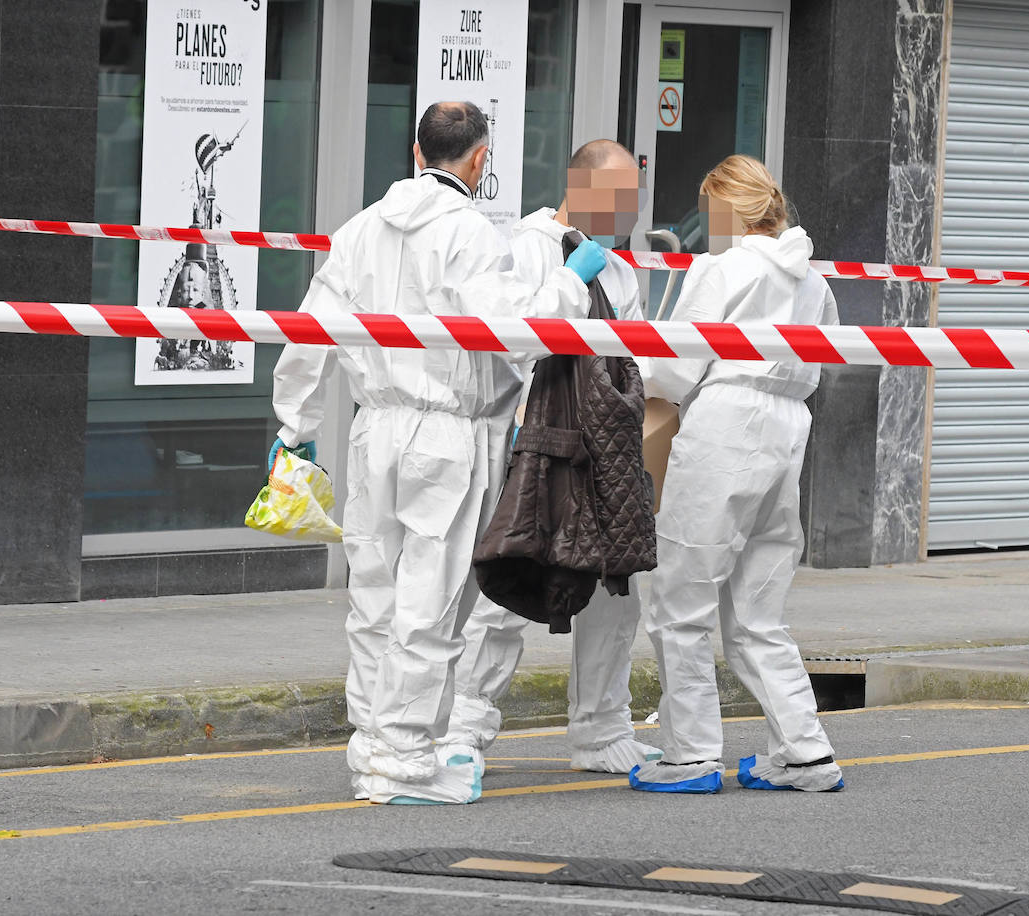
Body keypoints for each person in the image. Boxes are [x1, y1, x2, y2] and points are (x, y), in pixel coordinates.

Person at [270, 101, 609, 805]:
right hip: (450, 434)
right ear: (481, 160)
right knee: (431, 603)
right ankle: (404, 760)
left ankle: (373, 748)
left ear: (417, 152)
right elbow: (517, 329)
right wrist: (571, 280)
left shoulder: (359, 229)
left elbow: (310, 329)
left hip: (375, 428)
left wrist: (293, 424)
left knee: (374, 598)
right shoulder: (470, 233)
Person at [442, 140, 663, 776]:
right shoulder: (523, 246)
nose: (624, 212)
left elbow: (634, 360)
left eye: (631, 200)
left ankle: (601, 729)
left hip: (606, 451)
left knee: (615, 590)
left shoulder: (619, 271)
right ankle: (465, 729)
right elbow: (513, 343)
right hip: (535, 443)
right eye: (615, 197)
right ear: (578, 185)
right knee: (509, 584)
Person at [629, 154, 844, 795]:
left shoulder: (720, 268)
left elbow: (675, 367)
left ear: (726, 209)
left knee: (681, 598)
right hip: (789, 427)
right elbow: (826, 357)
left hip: (725, 424)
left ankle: (690, 755)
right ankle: (805, 753)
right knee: (758, 609)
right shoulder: (812, 281)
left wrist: (630, 369)